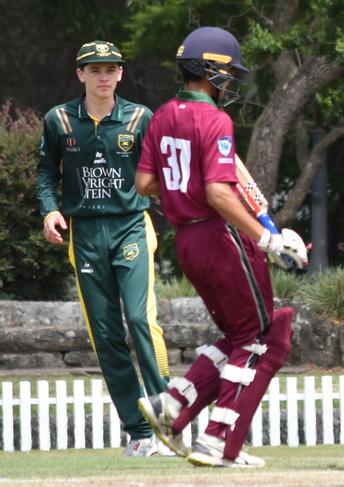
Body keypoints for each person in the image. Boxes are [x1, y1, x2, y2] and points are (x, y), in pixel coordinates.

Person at [134, 26, 308, 468]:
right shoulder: (215, 120)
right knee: (259, 339)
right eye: (226, 73)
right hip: (218, 235)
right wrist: (265, 238)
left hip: (187, 243)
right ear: (209, 69)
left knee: (238, 334)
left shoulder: (162, 115)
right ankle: (217, 439)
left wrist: (182, 191)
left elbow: (145, 184)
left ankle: (173, 404)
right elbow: (219, 193)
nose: (229, 82)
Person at [36, 40, 171, 456]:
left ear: (120, 74)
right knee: (107, 336)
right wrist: (49, 211)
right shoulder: (59, 120)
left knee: (140, 320)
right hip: (86, 233)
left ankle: (168, 424)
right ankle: (140, 434)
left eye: (110, 68)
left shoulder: (139, 118)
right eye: (94, 69)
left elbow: (161, 173)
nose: (103, 76)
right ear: (80, 74)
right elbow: (45, 171)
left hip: (130, 226)